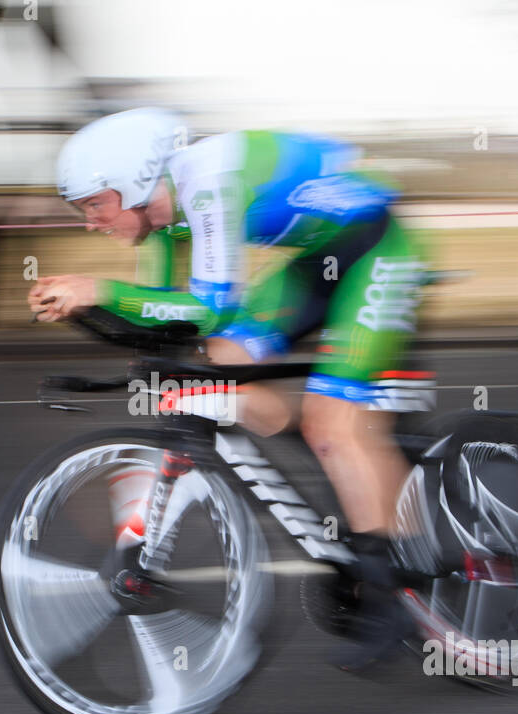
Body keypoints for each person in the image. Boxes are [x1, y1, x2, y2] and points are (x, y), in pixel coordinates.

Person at [28, 108, 430, 671]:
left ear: (136, 180)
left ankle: (390, 594)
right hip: (322, 259)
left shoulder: (207, 182)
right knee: (225, 359)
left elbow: (211, 306)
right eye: (83, 210)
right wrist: (96, 311)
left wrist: (98, 288)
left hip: (377, 249)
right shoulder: (161, 219)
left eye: (96, 204)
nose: (91, 222)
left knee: (332, 422)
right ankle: (349, 476)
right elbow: (169, 316)